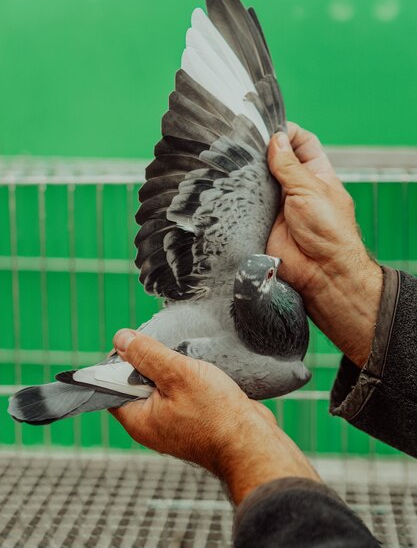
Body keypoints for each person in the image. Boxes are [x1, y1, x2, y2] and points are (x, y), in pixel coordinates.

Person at [110, 122, 417, 546]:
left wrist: (234, 433)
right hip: (180, 331)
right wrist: (333, 277)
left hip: (179, 327)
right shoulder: (278, 361)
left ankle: (105, 380)